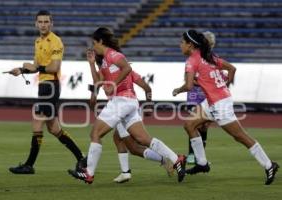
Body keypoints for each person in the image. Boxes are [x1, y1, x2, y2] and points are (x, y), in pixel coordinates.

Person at [68, 27, 186, 184]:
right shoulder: (105, 61)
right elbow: (98, 82)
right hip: (129, 103)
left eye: (94, 43)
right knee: (142, 139)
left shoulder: (113, 55)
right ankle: (175, 158)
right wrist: (91, 64)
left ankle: (89, 173)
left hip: (121, 101)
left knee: (96, 133)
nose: (93, 46)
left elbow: (128, 68)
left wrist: (113, 85)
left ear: (101, 41)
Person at [172, 29, 279, 185]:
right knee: (189, 124)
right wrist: (224, 86)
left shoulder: (192, 61)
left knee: (240, 136)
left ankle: (269, 165)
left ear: (190, 45)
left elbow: (188, 86)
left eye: (182, 42)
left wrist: (177, 90)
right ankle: (202, 163)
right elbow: (232, 69)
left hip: (219, 103)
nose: (179, 45)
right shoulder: (209, 56)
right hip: (214, 100)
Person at [7, 10, 86, 174]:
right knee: (54, 129)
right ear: (36, 24)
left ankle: (29, 165)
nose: (43, 24)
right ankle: (81, 158)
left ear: (51, 23)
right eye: (40, 22)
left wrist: (34, 67)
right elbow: (36, 68)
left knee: (37, 121)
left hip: (51, 86)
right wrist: (21, 70)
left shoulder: (56, 41)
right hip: (44, 85)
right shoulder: (38, 42)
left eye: (46, 22)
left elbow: (54, 68)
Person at [87, 53, 174, 183]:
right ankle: (125, 172)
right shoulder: (124, 72)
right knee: (118, 139)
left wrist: (94, 108)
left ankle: (165, 159)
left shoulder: (104, 75)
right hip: (127, 107)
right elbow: (147, 87)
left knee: (134, 147)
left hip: (122, 109)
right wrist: (149, 104)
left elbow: (93, 100)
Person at [186, 31, 215, 164]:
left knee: (204, 126)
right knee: (194, 124)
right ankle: (191, 154)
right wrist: (204, 81)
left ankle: (200, 157)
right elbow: (188, 78)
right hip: (195, 94)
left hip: (208, 95)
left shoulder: (213, 59)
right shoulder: (193, 58)